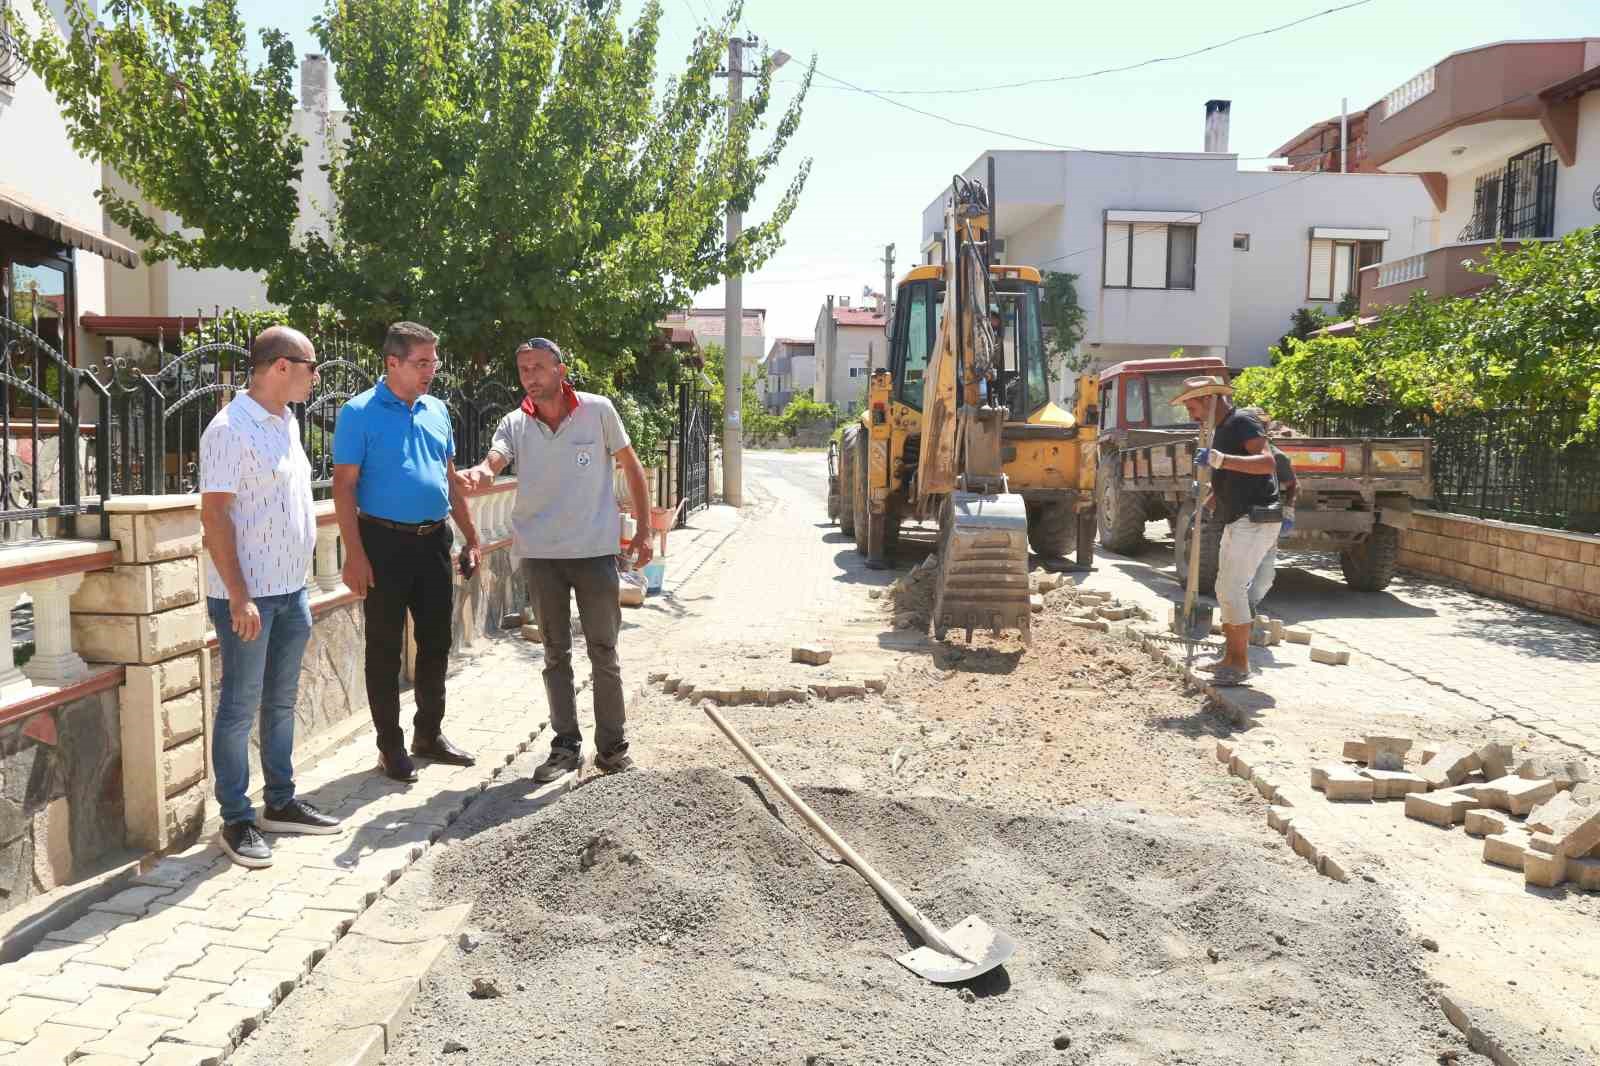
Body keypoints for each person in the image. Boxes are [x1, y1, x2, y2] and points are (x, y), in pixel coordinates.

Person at [459, 337, 653, 781]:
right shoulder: (515, 422)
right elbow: (496, 459)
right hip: (541, 556)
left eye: (539, 367)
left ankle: (612, 749)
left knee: (604, 652)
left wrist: (642, 532)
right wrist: (481, 472)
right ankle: (565, 746)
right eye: (524, 369)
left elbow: (632, 466)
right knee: (555, 653)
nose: (530, 376)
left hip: (594, 554)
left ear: (560, 370)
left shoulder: (598, 410)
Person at [199, 326, 341, 868]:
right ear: (281, 366)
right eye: (312, 366)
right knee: (239, 707)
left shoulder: (287, 422)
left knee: (280, 702)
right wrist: (238, 596)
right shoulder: (229, 429)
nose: (316, 376)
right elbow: (214, 517)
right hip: (250, 598)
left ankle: (279, 802)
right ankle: (236, 816)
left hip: (291, 590)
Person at [332, 322, 482, 782]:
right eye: (422, 363)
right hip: (382, 543)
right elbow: (343, 487)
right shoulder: (358, 413)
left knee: (437, 642)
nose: (431, 371)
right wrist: (355, 555)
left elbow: (449, 479)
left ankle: (428, 735)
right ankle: (389, 748)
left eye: (434, 361)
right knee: (384, 650)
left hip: (434, 540)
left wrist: (471, 537)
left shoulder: (437, 410)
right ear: (392, 363)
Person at [1176, 376, 1280, 686]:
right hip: (1237, 518)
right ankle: (1230, 658)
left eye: (1192, 406)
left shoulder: (1241, 421)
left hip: (1256, 519)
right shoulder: (1220, 431)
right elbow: (1228, 481)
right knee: (1225, 588)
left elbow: (1266, 463)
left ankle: (1241, 663)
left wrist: (1221, 459)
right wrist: (1205, 504)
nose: (1190, 415)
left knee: (1232, 587)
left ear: (1209, 400)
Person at [1238, 406, 1299, 622]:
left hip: (1266, 522)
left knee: (1264, 577)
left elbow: (1292, 485)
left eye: (1261, 426)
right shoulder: (1235, 453)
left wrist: (1289, 511)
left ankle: (1249, 606)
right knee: (1237, 575)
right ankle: (1238, 615)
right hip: (1238, 522)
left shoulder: (1277, 457)